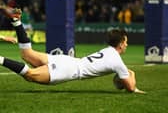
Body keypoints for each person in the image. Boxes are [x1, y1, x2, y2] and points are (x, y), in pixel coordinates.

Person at [0, 6, 145, 93]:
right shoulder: (117, 61)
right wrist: (132, 74)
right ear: (120, 44)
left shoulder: (108, 51)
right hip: (69, 69)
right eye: (125, 42)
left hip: (67, 60)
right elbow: (131, 88)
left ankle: (16, 21)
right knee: (30, 75)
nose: (127, 45)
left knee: (27, 53)